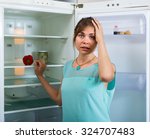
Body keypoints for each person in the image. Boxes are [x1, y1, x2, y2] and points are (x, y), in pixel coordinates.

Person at [34, 17, 116, 122]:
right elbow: (59, 100)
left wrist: (101, 41)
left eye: (92, 37)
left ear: (97, 41)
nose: (86, 41)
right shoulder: (68, 66)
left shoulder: (108, 67)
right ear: (75, 37)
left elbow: (105, 76)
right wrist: (40, 75)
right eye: (81, 35)